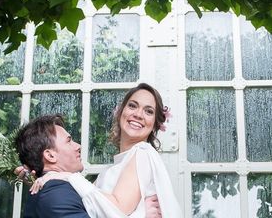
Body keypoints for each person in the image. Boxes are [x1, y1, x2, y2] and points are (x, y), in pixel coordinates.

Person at [30, 83, 182, 217]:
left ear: (154, 125)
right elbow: (84, 204)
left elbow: (118, 210)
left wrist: (68, 176)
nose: (138, 114)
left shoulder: (142, 152)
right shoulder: (111, 169)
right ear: (121, 111)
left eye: (149, 111)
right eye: (132, 106)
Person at [14, 113, 162, 218]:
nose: (77, 146)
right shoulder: (55, 194)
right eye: (69, 141)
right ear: (50, 155)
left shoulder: (59, 189)